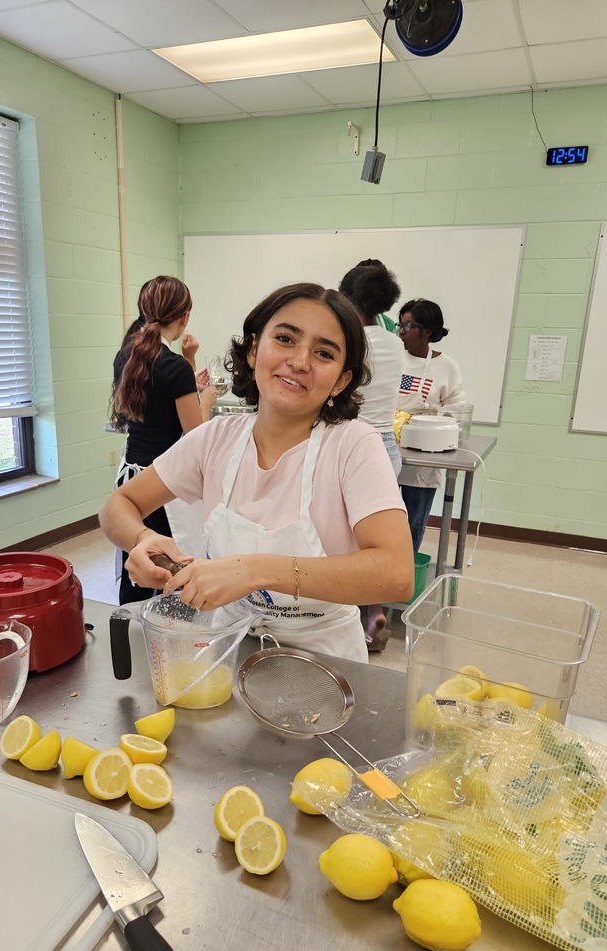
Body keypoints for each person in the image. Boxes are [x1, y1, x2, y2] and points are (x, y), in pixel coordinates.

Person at [99, 282, 414, 664]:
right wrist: (142, 537)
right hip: (229, 646)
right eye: (284, 339)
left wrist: (255, 571)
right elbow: (120, 504)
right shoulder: (216, 437)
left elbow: (396, 572)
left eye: (324, 353)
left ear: (342, 380)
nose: (300, 361)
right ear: (252, 350)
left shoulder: (353, 446)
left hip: (323, 658)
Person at [111, 275, 216, 604]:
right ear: (184, 318)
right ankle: (173, 627)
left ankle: (127, 622)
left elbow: (156, 404)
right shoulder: (174, 367)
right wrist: (207, 400)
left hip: (130, 478)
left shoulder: (126, 355)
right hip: (163, 483)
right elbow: (194, 434)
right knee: (172, 563)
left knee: (138, 557)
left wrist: (189, 368)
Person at [338, 258, 404, 652]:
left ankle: (347, 617)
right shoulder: (395, 342)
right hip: (387, 448)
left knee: (341, 543)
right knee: (373, 543)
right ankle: (372, 610)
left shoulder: (350, 343)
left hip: (352, 445)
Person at [395, 298, 465, 551]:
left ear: (427, 331)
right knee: (383, 517)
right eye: (400, 325)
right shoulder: (394, 358)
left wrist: (430, 415)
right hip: (389, 448)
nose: (402, 331)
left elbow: (457, 408)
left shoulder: (447, 366)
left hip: (424, 454)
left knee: (413, 520)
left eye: (409, 325)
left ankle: (408, 571)